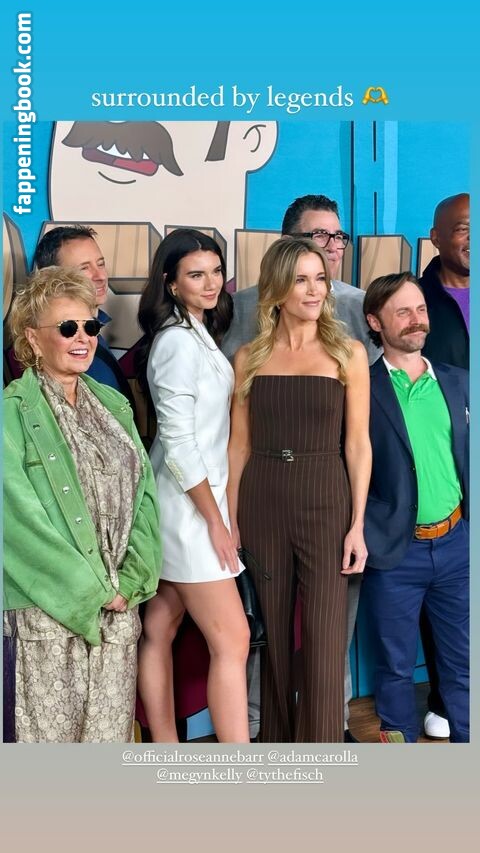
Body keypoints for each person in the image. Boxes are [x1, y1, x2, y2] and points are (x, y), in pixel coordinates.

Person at [223, 193, 377, 742]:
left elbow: (358, 445)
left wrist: (357, 525)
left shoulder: (348, 353)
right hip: (262, 500)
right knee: (270, 639)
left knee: (325, 638)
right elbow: (238, 447)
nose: (315, 291)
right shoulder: (249, 357)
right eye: (302, 280)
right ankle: (275, 750)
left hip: (326, 499)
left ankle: (323, 752)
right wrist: (231, 521)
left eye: (320, 279)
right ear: (277, 289)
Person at [3, 267, 161, 742]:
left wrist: (129, 584)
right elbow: (17, 523)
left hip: (118, 611)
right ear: (32, 338)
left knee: (106, 751)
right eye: (67, 327)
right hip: (46, 615)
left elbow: (145, 497)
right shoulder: (11, 413)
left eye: (90, 326)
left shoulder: (113, 405)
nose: (83, 338)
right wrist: (92, 593)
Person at [136, 228, 250, 743]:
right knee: (233, 640)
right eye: (195, 274)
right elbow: (180, 445)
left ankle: (164, 748)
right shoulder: (177, 342)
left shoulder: (195, 333)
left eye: (216, 271)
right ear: (171, 283)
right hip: (188, 511)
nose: (210, 283)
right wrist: (215, 522)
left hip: (185, 504)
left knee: (159, 627)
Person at [362, 272, 469, 743]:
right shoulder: (361, 389)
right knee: (395, 667)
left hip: (457, 545)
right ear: (375, 322)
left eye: (420, 309)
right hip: (394, 552)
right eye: (402, 311)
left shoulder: (458, 382)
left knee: (464, 664)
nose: (416, 320)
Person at [419, 193, 469, 738]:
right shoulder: (418, 301)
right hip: (448, 464)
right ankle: (443, 697)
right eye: (463, 228)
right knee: (448, 586)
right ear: (435, 237)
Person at [30, 225, 135, 402]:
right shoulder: (54, 346)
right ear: (52, 278)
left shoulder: (96, 328)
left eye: (100, 264)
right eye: (84, 268)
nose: (100, 276)